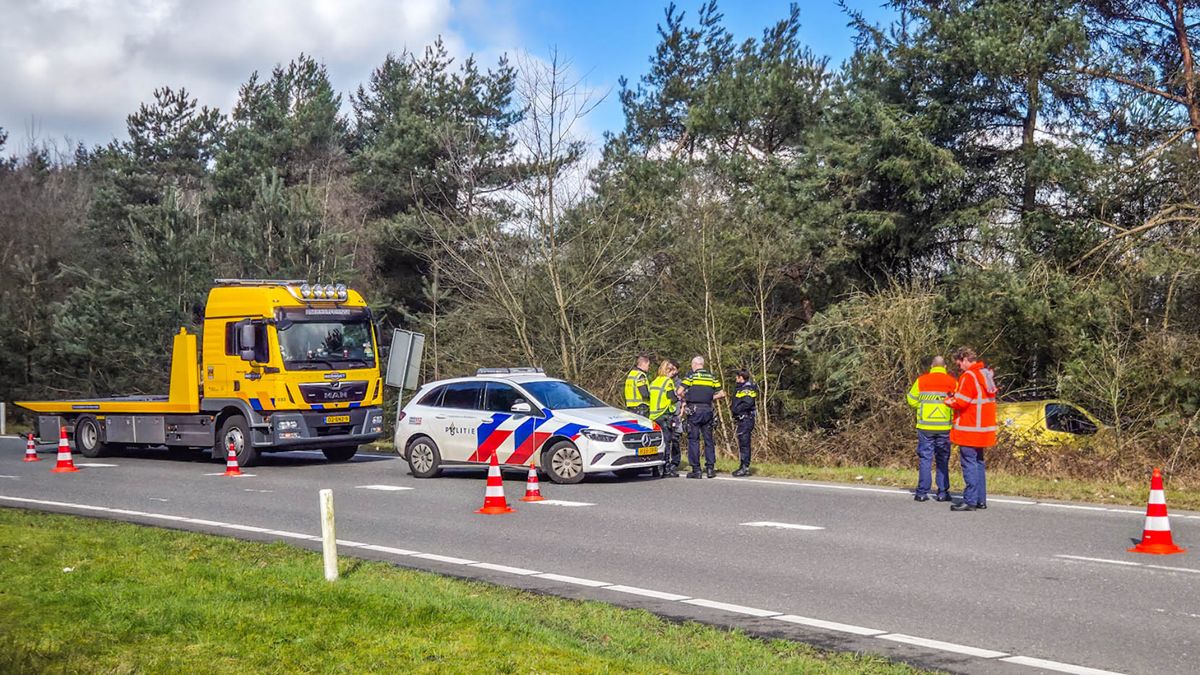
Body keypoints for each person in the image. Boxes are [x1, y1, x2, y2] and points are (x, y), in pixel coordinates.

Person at [944, 347, 998, 512]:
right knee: (979, 464)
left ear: (965, 359)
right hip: (983, 429)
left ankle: (970, 501)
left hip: (969, 428)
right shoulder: (985, 374)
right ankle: (981, 500)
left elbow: (961, 402)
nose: (959, 367)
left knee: (969, 464)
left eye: (959, 363)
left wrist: (948, 400)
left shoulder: (969, 376)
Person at [906, 356, 956, 502]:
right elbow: (958, 401)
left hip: (925, 426)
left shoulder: (922, 380)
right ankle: (942, 492)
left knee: (925, 459)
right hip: (944, 427)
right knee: (943, 459)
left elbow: (911, 399)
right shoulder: (952, 381)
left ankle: (922, 493)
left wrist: (922, 407)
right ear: (944, 367)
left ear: (932, 366)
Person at [680, 355, 725, 479]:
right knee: (708, 440)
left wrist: (687, 398)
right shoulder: (711, 376)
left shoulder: (691, 376)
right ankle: (710, 468)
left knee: (694, 440)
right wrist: (710, 397)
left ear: (694, 365)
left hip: (694, 411)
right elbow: (721, 393)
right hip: (708, 410)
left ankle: (696, 470)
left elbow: (679, 391)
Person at [648, 360, 681, 477]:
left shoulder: (654, 381)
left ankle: (655, 469)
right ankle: (666, 469)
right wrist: (678, 397)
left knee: (656, 444)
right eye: (672, 371)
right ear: (668, 370)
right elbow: (671, 398)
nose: (674, 374)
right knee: (666, 443)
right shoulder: (668, 382)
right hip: (664, 415)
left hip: (653, 416)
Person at [730, 369, 758, 477]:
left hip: (745, 419)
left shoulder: (747, 389)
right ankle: (743, 466)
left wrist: (737, 410)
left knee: (745, 444)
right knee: (742, 443)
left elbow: (748, 403)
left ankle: (744, 468)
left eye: (737, 377)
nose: (735, 379)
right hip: (743, 419)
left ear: (741, 378)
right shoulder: (741, 388)